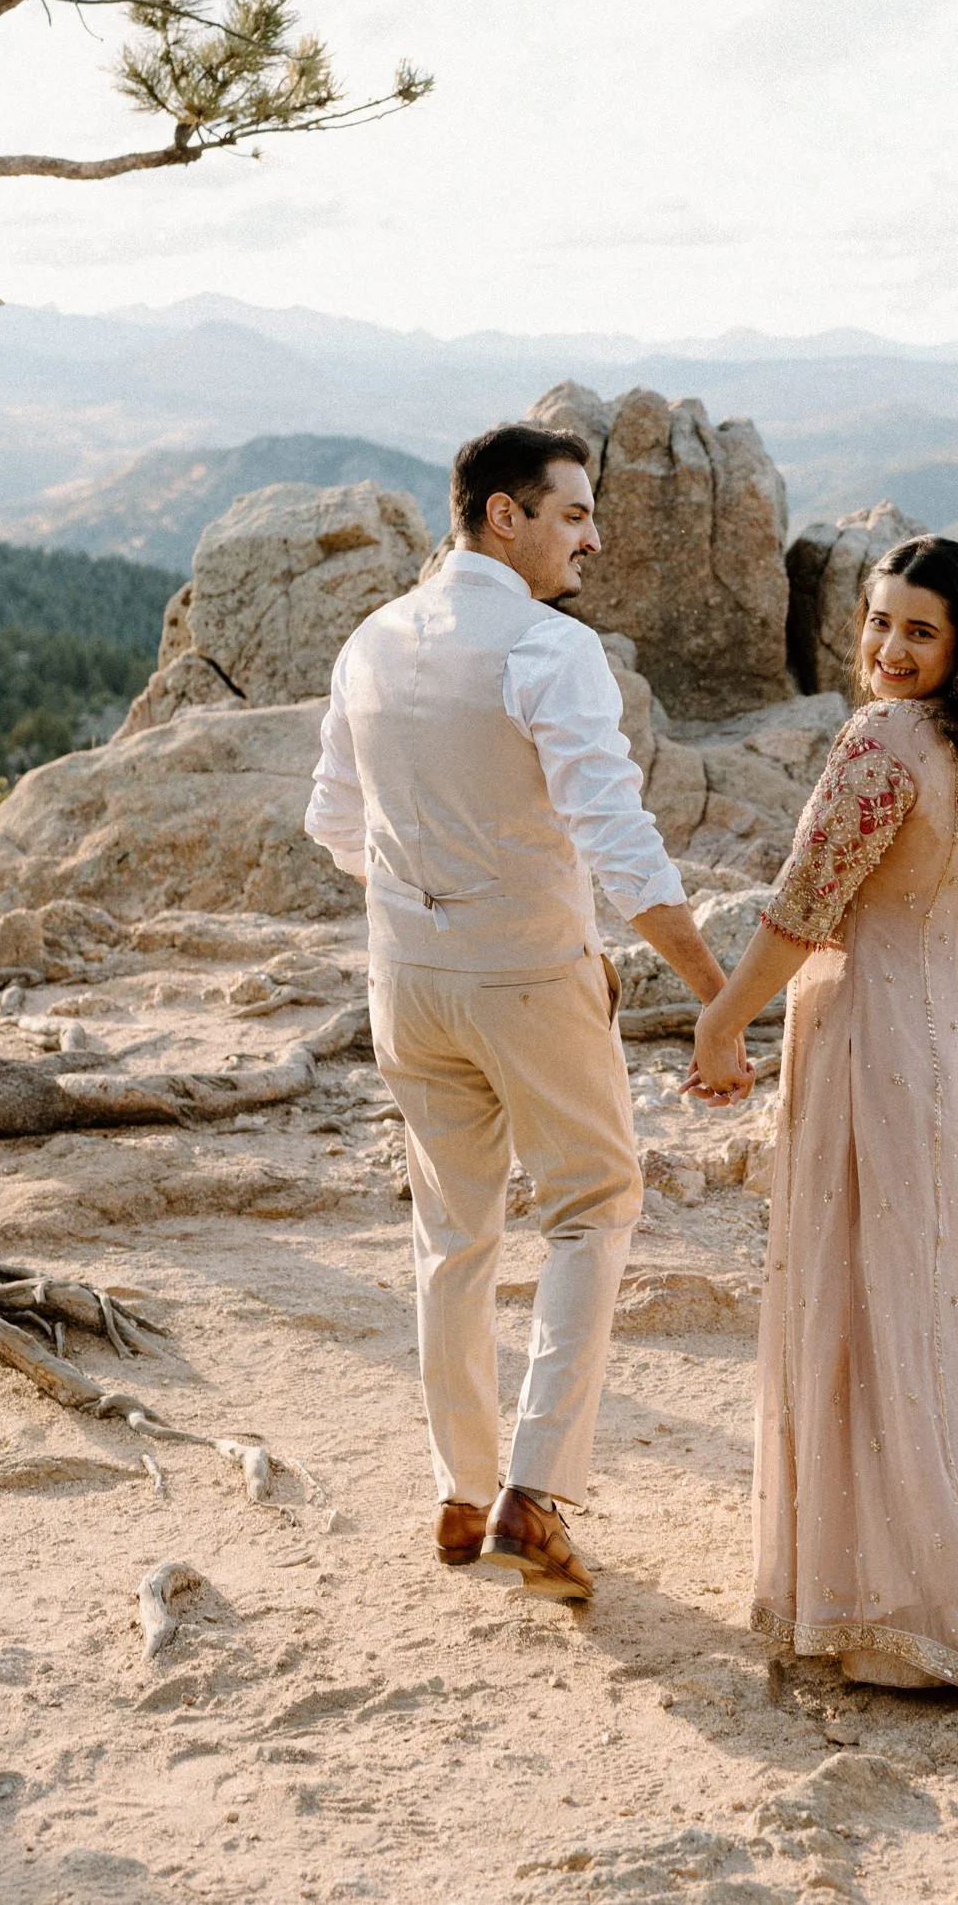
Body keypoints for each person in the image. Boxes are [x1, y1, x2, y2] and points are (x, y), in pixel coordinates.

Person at [305, 422, 741, 1601]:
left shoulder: (370, 641)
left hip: (406, 976)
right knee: (595, 1207)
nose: (590, 537)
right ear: (504, 514)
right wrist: (718, 994)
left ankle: (460, 1489)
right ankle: (534, 1495)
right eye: (572, 513)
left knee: (451, 1234)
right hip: (530, 975)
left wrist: (427, 905)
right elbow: (618, 844)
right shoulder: (548, 651)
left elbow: (334, 826)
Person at [686, 534, 958, 1692]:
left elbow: (804, 906)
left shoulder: (881, 742)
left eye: (918, 630)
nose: (887, 649)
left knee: (875, 1290)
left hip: (888, 1038)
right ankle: (947, 1555)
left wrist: (718, 1022)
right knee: (945, 1289)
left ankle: (894, 1588)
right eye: (876, 622)